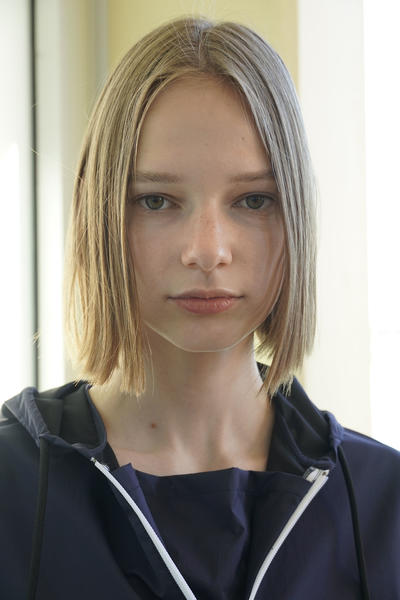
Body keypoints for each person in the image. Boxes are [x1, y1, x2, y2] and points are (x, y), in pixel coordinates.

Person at [1, 15, 399, 600]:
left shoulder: (382, 501)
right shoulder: (12, 486)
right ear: (102, 214)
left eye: (253, 200)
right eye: (156, 201)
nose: (207, 251)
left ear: (296, 215)